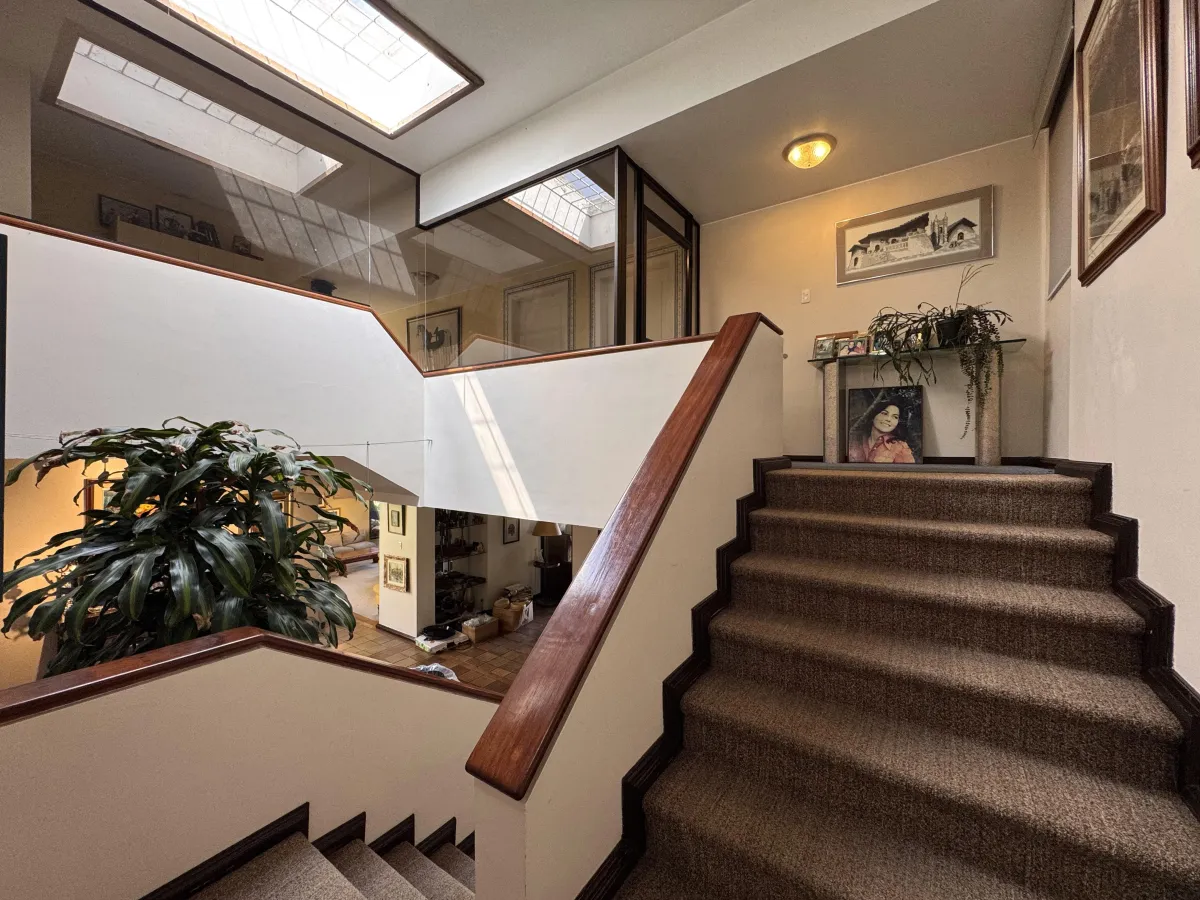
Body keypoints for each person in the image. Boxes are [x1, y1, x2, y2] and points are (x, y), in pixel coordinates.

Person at [848, 395, 917, 463]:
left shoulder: (900, 447)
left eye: (895, 417)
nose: (888, 419)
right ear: (873, 416)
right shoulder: (855, 440)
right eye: (884, 413)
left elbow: (909, 470)